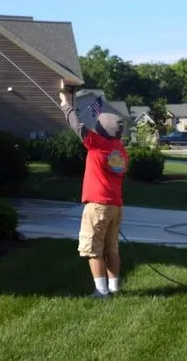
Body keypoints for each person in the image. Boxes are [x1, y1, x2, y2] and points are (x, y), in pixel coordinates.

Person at [59, 87, 129, 299]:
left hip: (97, 206)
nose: (94, 128)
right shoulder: (120, 149)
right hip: (115, 206)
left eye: (98, 126)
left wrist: (65, 104)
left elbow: (76, 125)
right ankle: (114, 287)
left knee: (93, 250)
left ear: (102, 131)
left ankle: (101, 292)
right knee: (112, 249)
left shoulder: (98, 144)